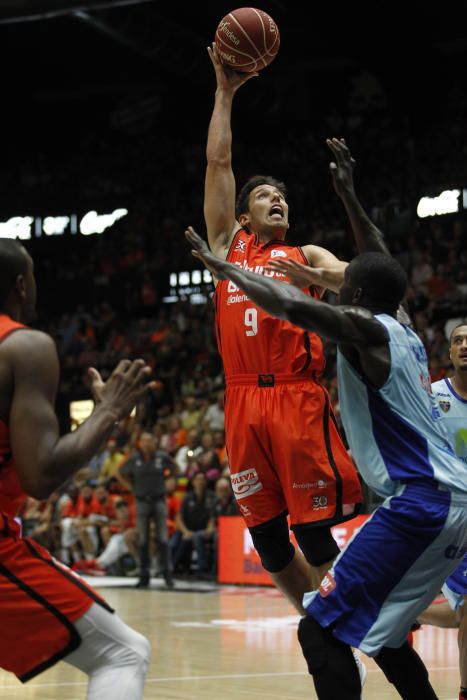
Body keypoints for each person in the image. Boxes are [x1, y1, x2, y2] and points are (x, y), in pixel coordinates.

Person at [185, 173, 467, 698]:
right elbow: (378, 262)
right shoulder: (401, 322)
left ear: (354, 294)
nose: (336, 282)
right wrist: (350, 196)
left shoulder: (364, 329)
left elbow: (295, 306)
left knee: (320, 630)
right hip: (455, 501)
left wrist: (222, 268)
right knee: (387, 635)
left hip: (418, 502)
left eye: (344, 282)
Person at [202, 42, 362, 611]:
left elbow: (367, 280)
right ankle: (321, 625)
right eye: (267, 195)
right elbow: (219, 165)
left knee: (315, 535)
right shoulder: (228, 246)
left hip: (296, 398)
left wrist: (328, 280)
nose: (279, 200)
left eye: (284, 197)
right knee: (269, 542)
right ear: (244, 215)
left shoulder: (305, 254)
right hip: (242, 402)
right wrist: (225, 92)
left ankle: (360, 624)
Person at [0, 239, 152, 698]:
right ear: (23, 285)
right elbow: (41, 474)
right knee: (123, 653)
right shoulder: (22, 346)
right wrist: (107, 412)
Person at [417, 322, 467, 700]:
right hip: (450, 518)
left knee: (463, 615)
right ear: (448, 353)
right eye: (457, 341)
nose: (464, 346)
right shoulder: (431, 397)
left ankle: (416, 613)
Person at [118, 431, 175, 588]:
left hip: (159, 500)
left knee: (162, 538)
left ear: (154, 442)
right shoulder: (134, 458)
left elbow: (175, 469)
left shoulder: (162, 457)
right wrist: (131, 487)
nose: (147, 444)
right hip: (141, 500)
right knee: (143, 539)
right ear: (140, 443)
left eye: (150, 441)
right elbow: (120, 473)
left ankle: (167, 574)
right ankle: (144, 575)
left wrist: (170, 480)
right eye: (144, 441)